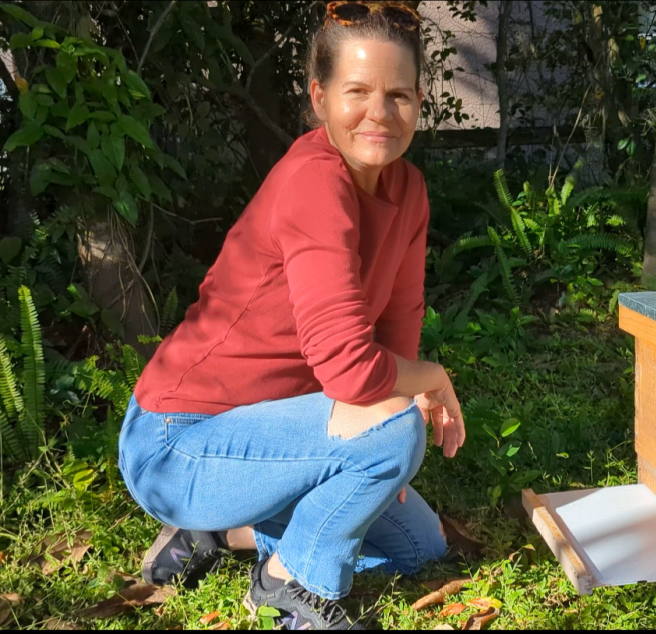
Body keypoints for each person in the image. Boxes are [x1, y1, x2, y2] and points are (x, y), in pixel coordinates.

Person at [118, 2, 466, 629]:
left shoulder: (407, 188)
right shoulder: (314, 180)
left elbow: (398, 322)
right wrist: (421, 389)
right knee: (391, 427)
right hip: (178, 443)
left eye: (399, 95)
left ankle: (216, 536)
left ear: (419, 101)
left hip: (275, 435)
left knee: (420, 546)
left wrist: (396, 430)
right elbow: (350, 372)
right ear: (319, 96)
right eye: (357, 91)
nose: (379, 114)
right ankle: (293, 588)